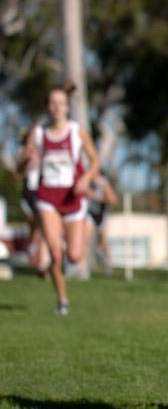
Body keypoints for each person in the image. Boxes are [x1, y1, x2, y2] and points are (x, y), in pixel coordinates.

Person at [18, 82, 100, 315]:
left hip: (72, 198)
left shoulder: (77, 132)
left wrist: (86, 178)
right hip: (47, 197)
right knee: (55, 252)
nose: (57, 107)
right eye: (53, 103)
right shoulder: (38, 133)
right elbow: (19, 166)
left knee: (74, 257)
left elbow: (95, 161)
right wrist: (27, 160)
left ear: (67, 107)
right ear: (47, 106)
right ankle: (62, 300)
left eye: (61, 103)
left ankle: (79, 234)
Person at [16, 128, 48, 278]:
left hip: (42, 192)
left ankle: (41, 264)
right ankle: (32, 245)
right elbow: (18, 172)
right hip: (29, 193)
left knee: (42, 227)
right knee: (35, 226)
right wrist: (28, 161)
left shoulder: (44, 150)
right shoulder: (22, 151)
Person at [85, 169, 118, 275]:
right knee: (85, 238)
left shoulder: (103, 183)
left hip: (102, 214)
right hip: (89, 213)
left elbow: (113, 200)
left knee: (102, 241)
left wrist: (95, 196)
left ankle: (108, 263)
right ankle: (82, 267)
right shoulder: (86, 181)